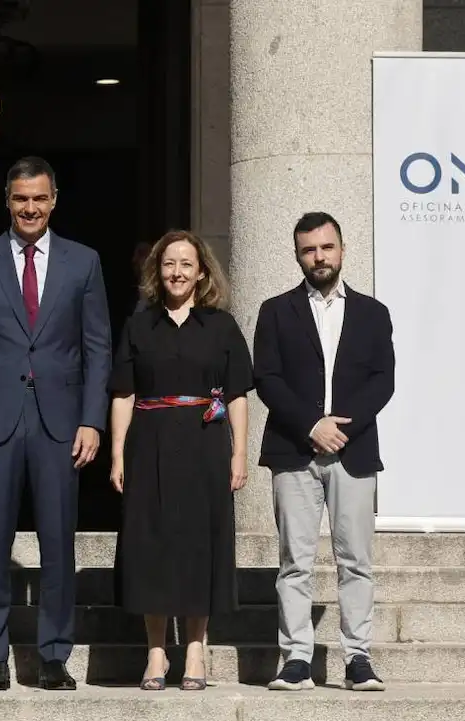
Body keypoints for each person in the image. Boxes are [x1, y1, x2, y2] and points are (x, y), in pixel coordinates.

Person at [0, 156, 112, 690]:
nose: (30, 208)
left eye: (39, 198)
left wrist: (93, 421)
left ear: (54, 200)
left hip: (61, 423)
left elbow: (97, 347)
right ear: (7, 202)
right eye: (20, 199)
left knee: (58, 542)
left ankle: (53, 656)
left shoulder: (84, 263)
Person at [253, 211, 395, 691]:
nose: (319, 257)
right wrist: (312, 425)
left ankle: (358, 658)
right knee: (295, 560)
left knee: (355, 559)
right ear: (298, 255)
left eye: (326, 247)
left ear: (342, 248)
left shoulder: (373, 313)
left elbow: (383, 380)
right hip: (294, 451)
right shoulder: (275, 311)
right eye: (309, 250)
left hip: (353, 454)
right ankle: (296, 658)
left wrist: (341, 430)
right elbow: (267, 378)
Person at [109, 231, 251, 691]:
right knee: (151, 545)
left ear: (201, 271)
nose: (177, 272)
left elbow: (238, 396)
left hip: (205, 445)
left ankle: (194, 649)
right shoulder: (139, 326)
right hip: (147, 444)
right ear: (157, 270)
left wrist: (240, 452)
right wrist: (116, 454)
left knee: (198, 546)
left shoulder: (221, 326)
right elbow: (124, 393)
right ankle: (155, 652)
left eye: (186, 264)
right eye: (169, 263)